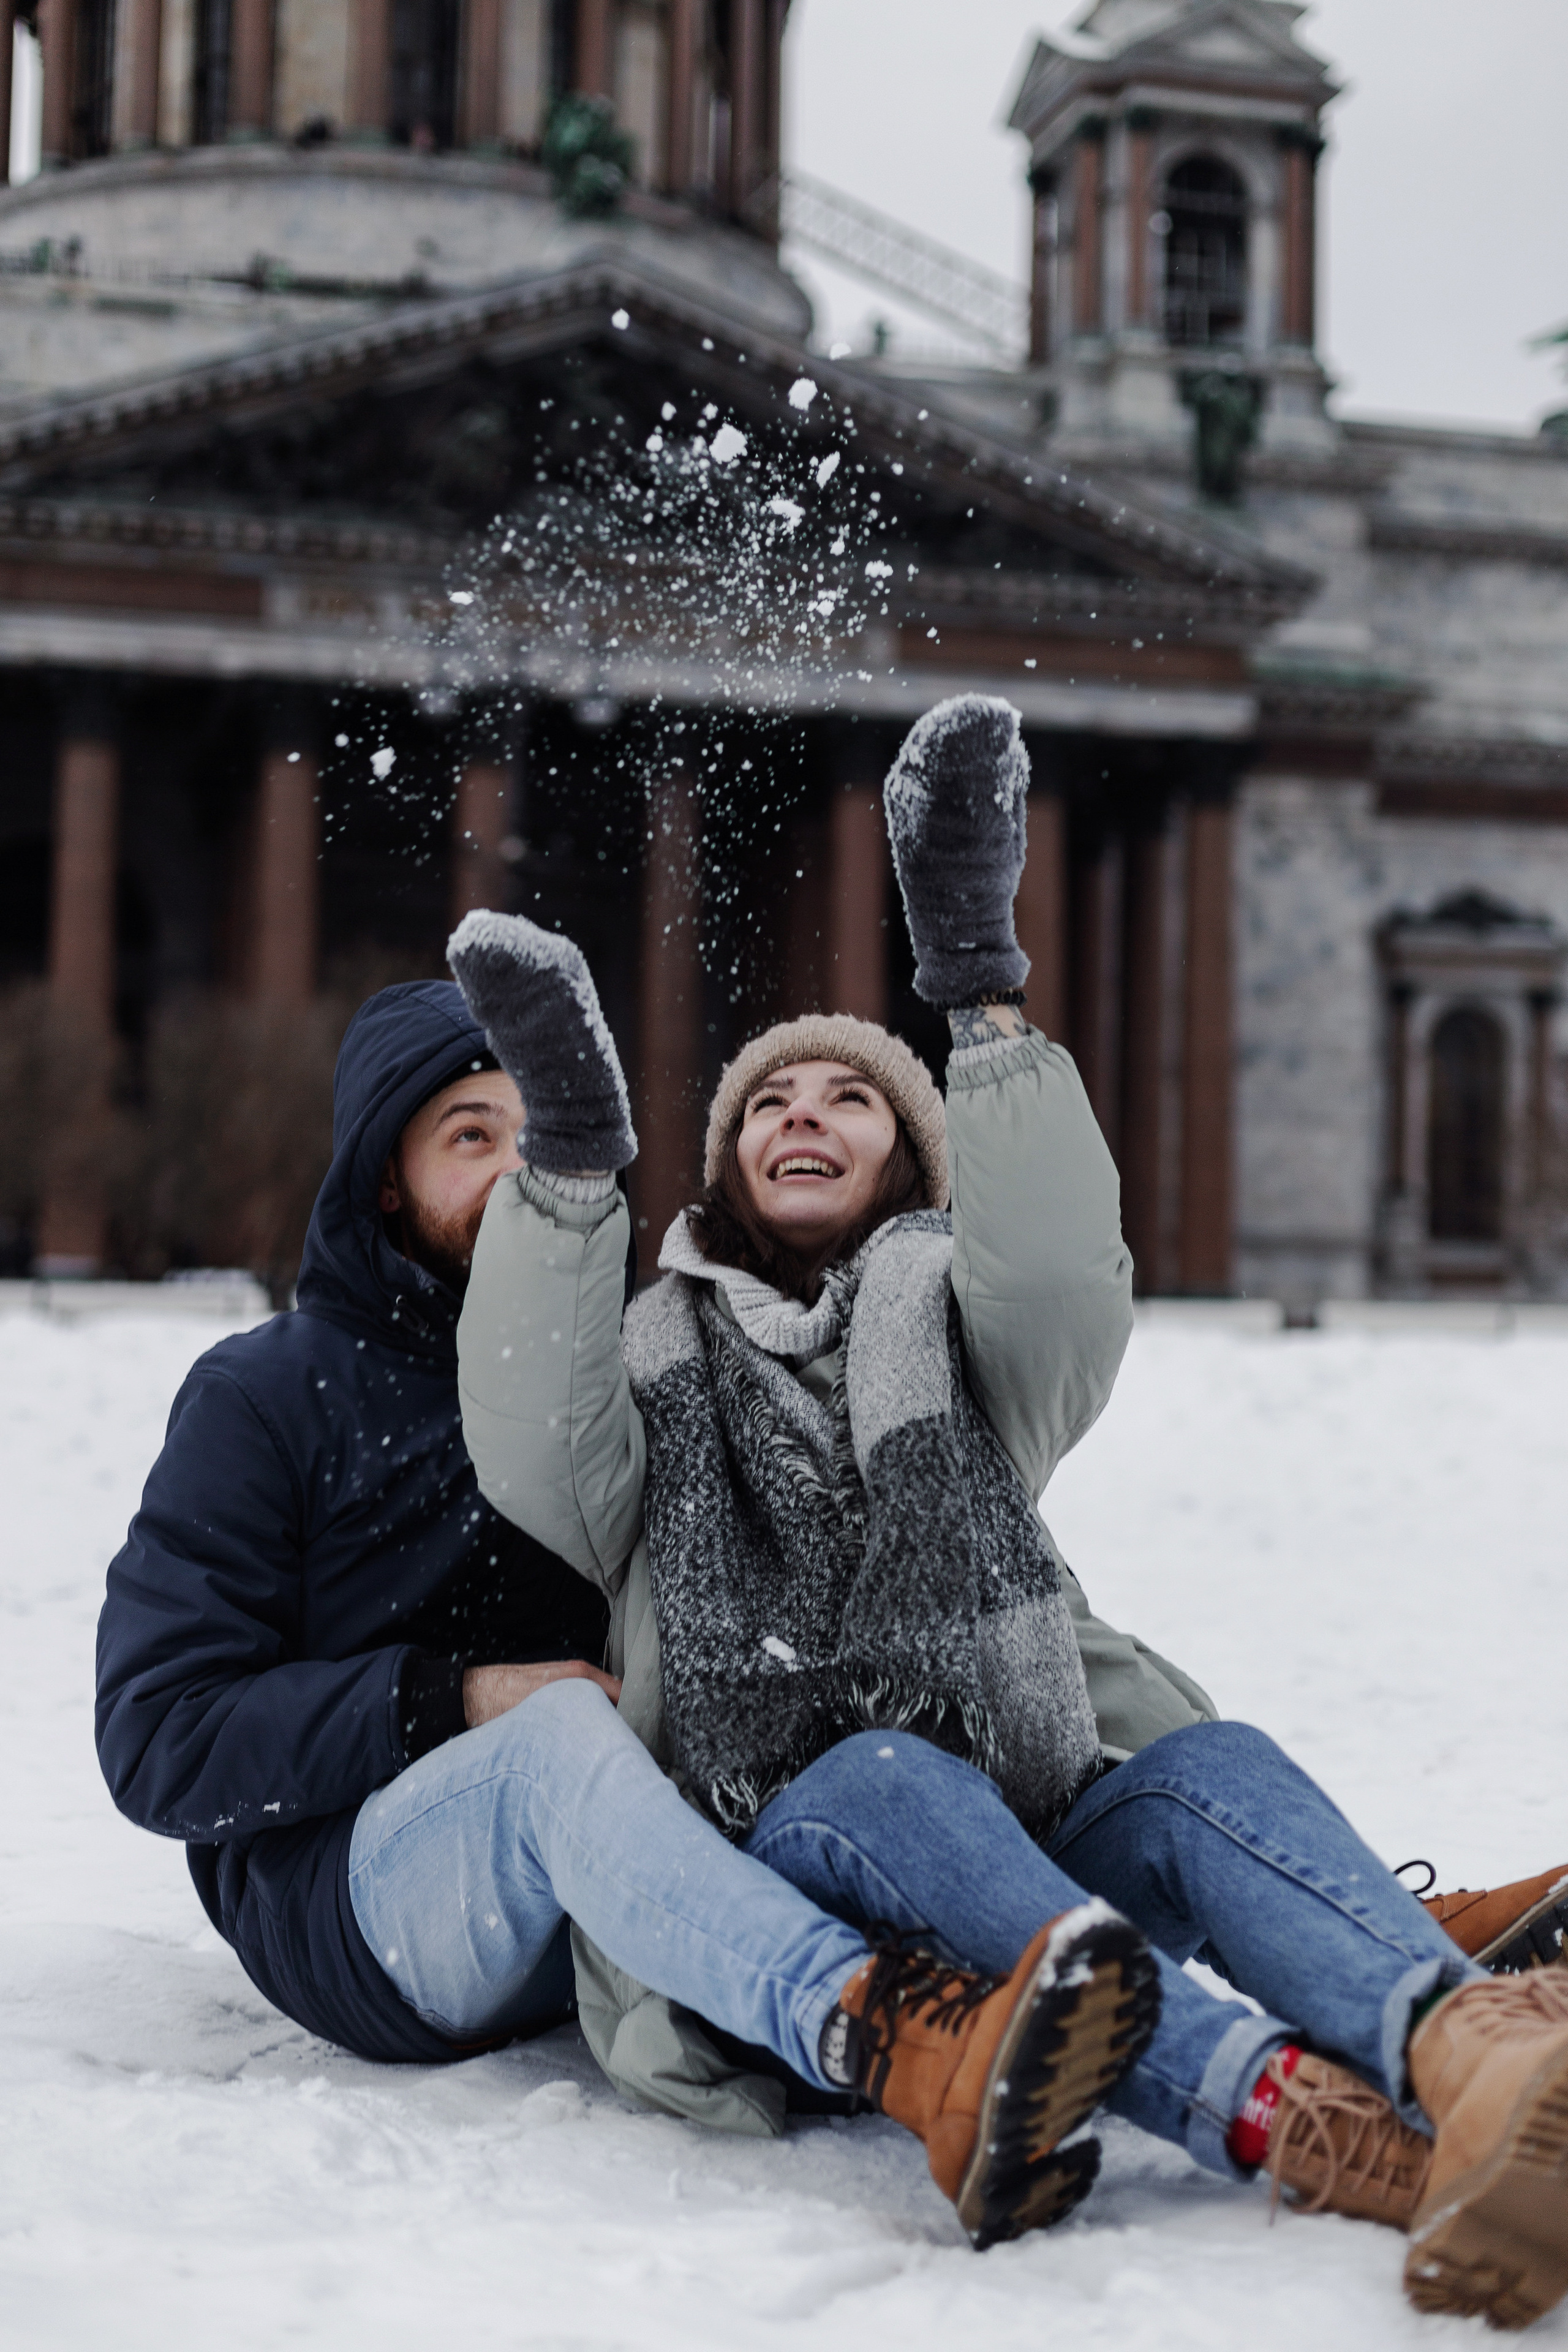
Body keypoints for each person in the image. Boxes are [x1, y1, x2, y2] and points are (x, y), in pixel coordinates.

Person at [451, 695, 1568, 2330]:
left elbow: (1056, 1275)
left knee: (1205, 1770)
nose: (804, 1116)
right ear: (718, 1169)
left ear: (915, 1168)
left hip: (1026, 1837)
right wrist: (566, 1163)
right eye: (768, 1104)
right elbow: (529, 1435)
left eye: (850, 1101)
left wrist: (979, 993)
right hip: (814, 1907)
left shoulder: (978, 1363)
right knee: (889, 1776)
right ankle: (1293, 2114)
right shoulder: (647, 1379)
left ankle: (1471, 2049)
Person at [94, 971, 1175, 2251]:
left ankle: (1252, 1916)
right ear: (385, 1179)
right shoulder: (267, 1395)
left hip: (608, 1892)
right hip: (357, 1909)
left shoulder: (630, 1367)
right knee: (559, 1744)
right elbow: (160, 1736)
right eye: (469, 1136)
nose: (514, 1169)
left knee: (944, 1645)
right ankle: (901, 2039)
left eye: (537, 1135)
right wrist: (451, 1699)